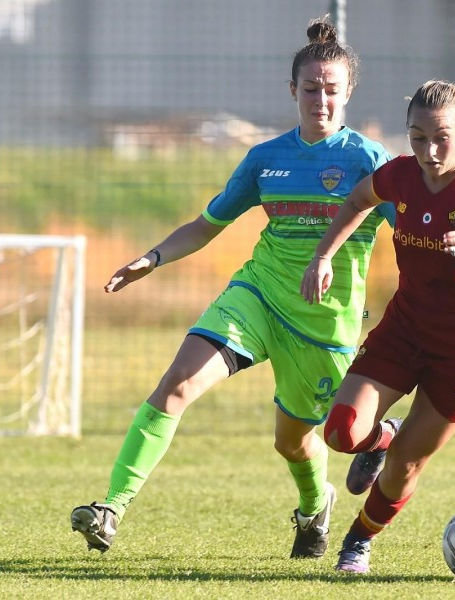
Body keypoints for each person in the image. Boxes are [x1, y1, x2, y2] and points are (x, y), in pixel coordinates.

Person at [70, 16, 395, 560]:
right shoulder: (266, 160)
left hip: (324, 321)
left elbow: (409, 232)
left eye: (332, 91)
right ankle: (111, 507)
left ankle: (320, 502)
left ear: (349, 93)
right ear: (293, 90)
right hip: (257, 297)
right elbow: (206, 224)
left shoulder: (369, 161)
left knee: (292, 441)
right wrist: (151, 258)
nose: (321, 100)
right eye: (310, 89)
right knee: (177, 383)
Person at [300, 79, 455, 574]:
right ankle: (382, 436)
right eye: (416, 138)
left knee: (407, 464)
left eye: (441, 138)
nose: (429, 152)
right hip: (406, 329)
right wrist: (324, 255)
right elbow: (356, 200)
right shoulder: (401, 176)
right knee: (341, 431)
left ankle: (357, 543)